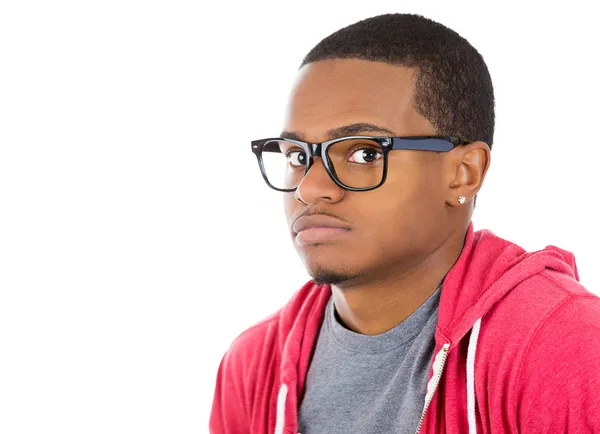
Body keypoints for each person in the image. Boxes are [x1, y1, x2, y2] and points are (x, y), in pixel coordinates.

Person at [210, 13, 600, 434]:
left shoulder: (565, 346)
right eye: (298, 156)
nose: (311, 188)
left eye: (364, 153)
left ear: (464, 173)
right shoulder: (252, 365)